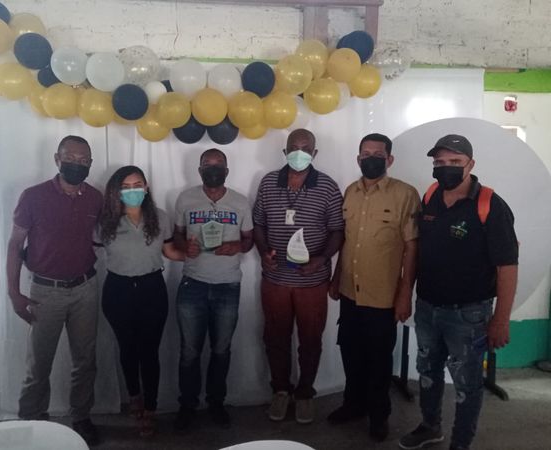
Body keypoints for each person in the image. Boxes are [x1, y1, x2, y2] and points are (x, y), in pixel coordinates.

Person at [399, 134, 519, 450]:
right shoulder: (431, 195)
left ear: (471, 164)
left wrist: (501, 320)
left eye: (455, 161)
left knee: (467, 383)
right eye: (439, 162)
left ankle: (461, 443)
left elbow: (507, 267)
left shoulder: (490, 205)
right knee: (427, 372)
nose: (446, 167)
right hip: (428, 307)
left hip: (468, 314)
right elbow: (419, 250)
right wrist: (406, 293)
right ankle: (430, 427)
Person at [6, 135, 103, 445]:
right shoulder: (33, 196)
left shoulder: (95, 198)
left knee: (85, 360)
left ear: (90, 163)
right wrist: (14, 293)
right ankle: (32, 421)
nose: (77, 164)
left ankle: (81, 417)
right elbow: (14, 245)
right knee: (39, 364)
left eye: (83, 160)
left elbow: (101, 236)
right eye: (70, 158)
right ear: (57, 159)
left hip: (86, 288)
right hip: (45, 291)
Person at [327, 133, 421, 441]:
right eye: (365, 154)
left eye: (378, 155)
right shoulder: (350, 192)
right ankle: (353, 405)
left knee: (379, 359)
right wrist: (336, 277)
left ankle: (379, 416)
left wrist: (405, 294)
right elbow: (346, 240)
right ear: (358, 158)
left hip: (383, 295)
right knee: (350, 351)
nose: (370, 159)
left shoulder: (405, 194)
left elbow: (412, 247)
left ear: (389, 159)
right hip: (349, 291)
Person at [253, 128, 344, 424]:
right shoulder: (268, 182)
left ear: (314, 153)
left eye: (306, 148)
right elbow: (258, 224)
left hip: (312, 281)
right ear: (285, 151)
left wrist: (321, 259)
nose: (299, 153)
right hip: (276, 279)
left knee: (310, 339)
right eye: (294, 147)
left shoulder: (328, 187)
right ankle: (280, 390)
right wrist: (263, 251)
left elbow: (337, 230)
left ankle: (305, 393)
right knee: (275, 337)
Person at [98, 165, 183, 437]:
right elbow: (85, 250)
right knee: (127, 348)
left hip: (151, 289)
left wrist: (195, 252)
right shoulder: (105, 221)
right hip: (118, 291)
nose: (132, 191)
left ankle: (150, 408)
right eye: (126, 187)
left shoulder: (160, 217)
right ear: (116, 191)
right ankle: (134, 395)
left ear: (146, 188)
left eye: (137, 185)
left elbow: (170, 251)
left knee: (149, 352)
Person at [173, 148, 254, 431]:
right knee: (189, 352)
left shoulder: (240, 202)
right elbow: (177, 235)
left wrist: (237, 246)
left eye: (218, 164)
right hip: (192, 284)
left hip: (227, 287)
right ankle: (187, 406)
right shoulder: (185, 199)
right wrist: (185, 246)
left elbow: (249, 240)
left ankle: (216, 403)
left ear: (227, 171)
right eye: (207, 165)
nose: (213, 169)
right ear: (199, 170)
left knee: (221, 350)